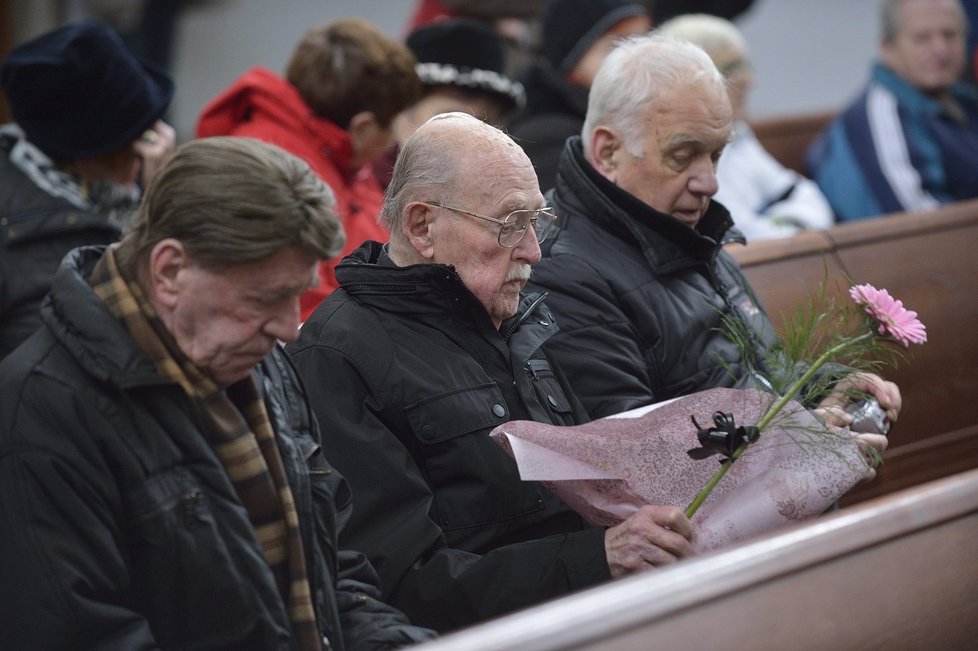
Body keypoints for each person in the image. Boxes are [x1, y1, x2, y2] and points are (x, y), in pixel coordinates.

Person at [0, 136, 435, 651]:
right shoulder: (42, 412)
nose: (289, 328)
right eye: (264, 298)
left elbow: (332, 575)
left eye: (295, 295)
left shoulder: (257, 362)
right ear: (169, 271)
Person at [287, 112, 696, 633]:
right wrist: (598, 559)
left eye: (536, 221)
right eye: (509, 224)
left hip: (599, 613)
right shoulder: (337, 355)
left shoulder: (513, 319)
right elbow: (403, 585)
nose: (533, 249)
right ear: (422, 226)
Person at [525, 34, 900, 438]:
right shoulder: (564, 273)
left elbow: (760, 376)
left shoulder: (686, 228)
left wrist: (824, 390)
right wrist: (798, 436)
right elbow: (639, 458)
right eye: (682, 156)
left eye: (717, 155)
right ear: (608, 152)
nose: (709, 183)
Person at [197, 18, 421, 319]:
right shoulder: (268, 171)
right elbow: (298, 303)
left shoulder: (344, 162)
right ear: (362, 127)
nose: (396, 136)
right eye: (392, 123)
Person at [0, 20, 176, 359]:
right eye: (133, 141)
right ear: (82, 156)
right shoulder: (36, 245)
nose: (146, 150)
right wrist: (162, 209)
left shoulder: (92, 195)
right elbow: (130, 352)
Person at [657, 13, 835, 240]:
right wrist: (782, 221)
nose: (750, 81)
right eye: (733, 68)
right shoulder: (691, 150)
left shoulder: (739, 134)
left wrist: (781, 221)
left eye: (746, 66)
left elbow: (805, 195)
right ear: (692, 79)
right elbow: (740, 236)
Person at [806, 0, 978, 221]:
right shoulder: (883, 114)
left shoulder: (960, 99)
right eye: (922, 38)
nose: (941, 50)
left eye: (950, 35)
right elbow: (922, 224)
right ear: (887, 48)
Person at [507, 0, 650, 192]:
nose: (636, 61)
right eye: (616, 47)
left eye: (642, 45)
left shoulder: (635, 122)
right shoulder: (546, 138)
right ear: (572, 62)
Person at [372, 18, 526, 188]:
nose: (469, 138)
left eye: (485, 125)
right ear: (401, 109)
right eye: (450, 120)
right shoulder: (359, 187)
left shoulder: (497, 201)